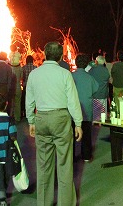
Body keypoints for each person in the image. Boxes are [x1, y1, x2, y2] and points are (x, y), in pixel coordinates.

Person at [25, 41, 82, 206]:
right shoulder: (65, 74)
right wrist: (78, 123)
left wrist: (31, 120)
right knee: (64, 164)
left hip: (41, 117)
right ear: (61, 56)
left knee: (43, 165)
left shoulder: (34, 74)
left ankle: (44, 202)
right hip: (61, 118)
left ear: (44, 54)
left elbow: (29, 100)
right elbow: (73, 101)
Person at [71, 53, 99, 162]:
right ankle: (86, 156)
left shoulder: (71, 76)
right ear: (87, 64)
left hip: (73, 110)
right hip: (86, 110)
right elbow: (95, 89)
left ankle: (71, 157)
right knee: (86, 134)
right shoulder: (89, 77)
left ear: (76, 63)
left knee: (71, 135)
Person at [9, 46, 23, 122]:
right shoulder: (20, 68)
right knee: (18, 103)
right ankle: (17, 118)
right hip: (17, 87)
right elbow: (21, 77)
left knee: (11, 103)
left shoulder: (9, 68)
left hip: (11, 88)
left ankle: (10, 117)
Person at [21, 55, 36, 119]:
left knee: (24, 99)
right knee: (33, 99)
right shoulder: (35, 67)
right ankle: (32, 111)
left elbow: (22, 77)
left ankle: (24, 112)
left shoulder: (23, 68)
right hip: (33, 86)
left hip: (26, 85)